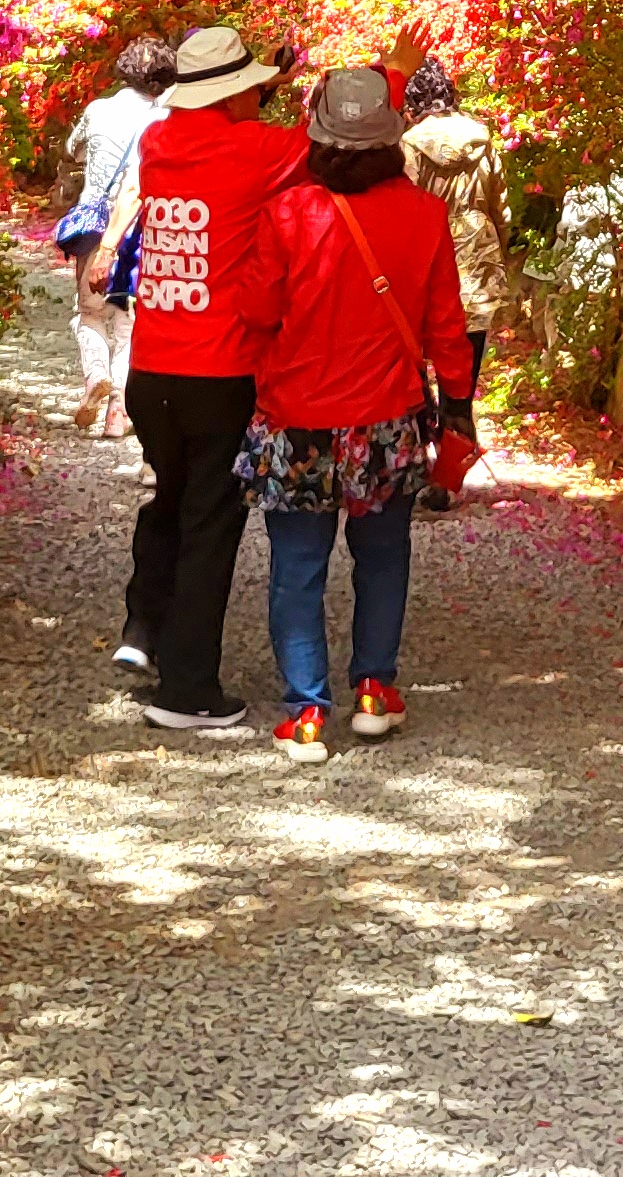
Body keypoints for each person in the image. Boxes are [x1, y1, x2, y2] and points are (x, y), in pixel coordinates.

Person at [116, 17, 427, 728]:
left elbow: (225, 120)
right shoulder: (259, 152)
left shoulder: (160, 142)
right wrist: (393, 75)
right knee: (210, 522)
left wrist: (270, 77)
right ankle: (188, 690)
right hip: (216, 368)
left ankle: (143, 632)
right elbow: (340, 142)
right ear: (234, 99)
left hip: (151, 365)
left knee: (170, 498)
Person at [222, 65, 476, 762]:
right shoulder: (424, 216)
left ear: (317, 134)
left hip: (296, 417)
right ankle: (374, 691)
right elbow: (445, 326)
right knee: (384, 557)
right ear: (393, 138)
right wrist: (458, 400)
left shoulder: (288, 213)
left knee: (297, 568)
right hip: (387, 418)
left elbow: (257, 311)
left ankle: (306, 713)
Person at [399, 59, 518, 510]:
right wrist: (496, 255)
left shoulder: (408, 145)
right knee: (461, 381)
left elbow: (405, 206)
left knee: (414, 377)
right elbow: (500, 209)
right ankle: (447, 482)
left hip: (429, 264)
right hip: (478, 262)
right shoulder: (483, 139)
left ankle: (414, 469)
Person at [57, 37, 168, 438]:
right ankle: (118, 414)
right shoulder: (166, 117)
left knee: (89, 312)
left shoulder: (97, 110)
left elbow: (73, 149)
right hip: (142, 226)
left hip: (95, 223)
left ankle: (94, 379)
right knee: (127, 322)